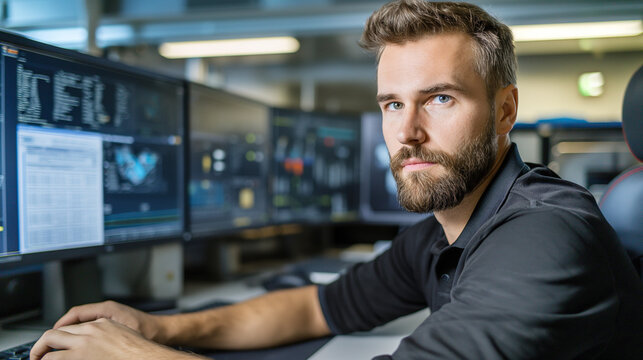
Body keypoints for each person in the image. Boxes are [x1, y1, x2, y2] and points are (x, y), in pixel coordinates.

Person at [31, 1, 643, 359]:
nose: (408, 134)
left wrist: (138, 357)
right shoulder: (445, 229)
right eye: (392, 105)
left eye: (440, 99)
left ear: (506, 111)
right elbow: (317, 306)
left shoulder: (544, 236)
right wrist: (158, 327)